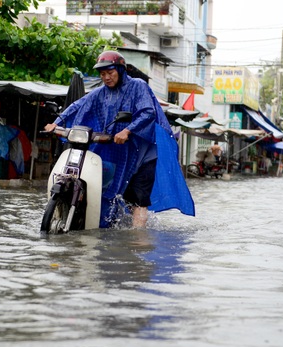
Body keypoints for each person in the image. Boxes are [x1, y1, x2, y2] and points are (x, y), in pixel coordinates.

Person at [44, 50, 194, 228]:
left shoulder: (137, 86)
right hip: (115, 151)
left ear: (121, 70)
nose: (106, 77)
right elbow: (78, 105)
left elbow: (148, 112)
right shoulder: (100, 93)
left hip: (142, 154)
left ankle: (136, 243)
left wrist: (128, 131)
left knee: (137, 199)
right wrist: (57, 122)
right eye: (102, 74)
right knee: (105, 190)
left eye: (110, 73)